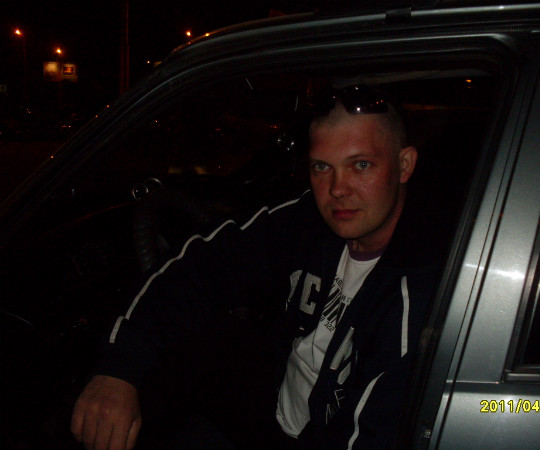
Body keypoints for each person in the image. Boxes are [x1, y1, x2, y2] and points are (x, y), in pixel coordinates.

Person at [71, 84, 441, 450]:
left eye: (361, 165)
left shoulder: (422, 292)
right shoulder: (310, 221)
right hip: (275, 406)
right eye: (321, 167)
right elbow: (201, 265)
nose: (337, 189)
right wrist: (118, 370)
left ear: (404, 165)